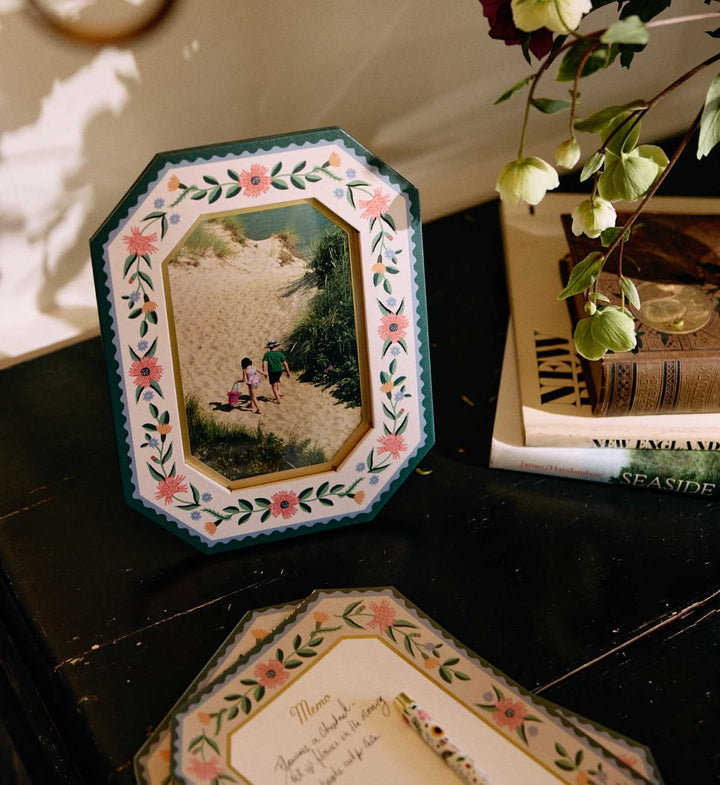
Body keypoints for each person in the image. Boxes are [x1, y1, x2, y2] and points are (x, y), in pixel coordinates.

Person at [261, 338, 290, 404]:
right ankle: (279, 392)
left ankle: (278, 398)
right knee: (277, 380)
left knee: (273, 385)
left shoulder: (267, 354)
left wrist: (264, 372)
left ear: (269, 347)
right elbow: (285, 363)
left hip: (272, 371)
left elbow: (264, 363)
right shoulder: (280, 354)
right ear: (276, 346)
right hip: (279, 370)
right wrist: (288, 372)